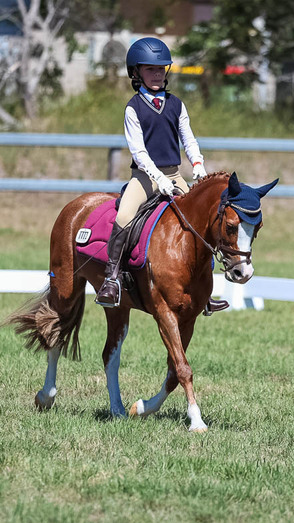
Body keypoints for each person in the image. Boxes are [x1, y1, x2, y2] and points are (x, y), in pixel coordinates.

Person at [95, 37, 229, 315]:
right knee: (124, 216)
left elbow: (188, 139)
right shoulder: (133, 108)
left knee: (204, 218)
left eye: (160, 70)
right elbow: (139, 152)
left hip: (174, 173)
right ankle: (112, 279)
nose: (156, 75)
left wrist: (198, 163)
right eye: (149, 70)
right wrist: (159, 178)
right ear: (136, 73)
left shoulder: (176, 104)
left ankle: (206, 290)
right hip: (145, 177)